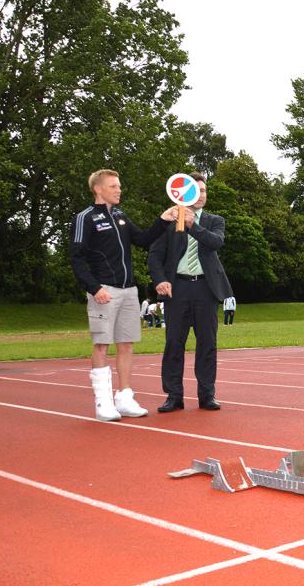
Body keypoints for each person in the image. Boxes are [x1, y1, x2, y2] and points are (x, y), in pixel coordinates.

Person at [70, 169, 177, 421]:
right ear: (98, 189)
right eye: (114, 186)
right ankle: (103, 402)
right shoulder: (85, 218)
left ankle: (125, 397)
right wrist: (94, 288)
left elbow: (143, 239)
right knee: (101, 344)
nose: (119, 190)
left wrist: (163, 219)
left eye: (119, 186)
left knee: (126, 344)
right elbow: (76, 257)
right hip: (103, 291)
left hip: (129, 290)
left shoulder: (120, 216)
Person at [148, 172, 233, 412]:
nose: (202, 195)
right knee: (174, 343)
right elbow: (155, 255)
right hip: (178, 288)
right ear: (184, 194)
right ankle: (174, 396)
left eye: (204, 191)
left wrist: (191, 225)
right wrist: (160, 280)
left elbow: (216, 242)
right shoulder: (169, 221)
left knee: (207, 343)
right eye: (197, 191)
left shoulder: (215, 220)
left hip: (206, 288)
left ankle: (207, 394)